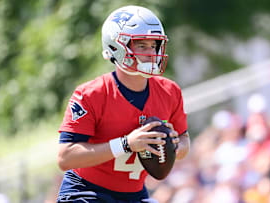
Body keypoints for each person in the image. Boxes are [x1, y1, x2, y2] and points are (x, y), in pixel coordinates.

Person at [56, 5, 190, 203]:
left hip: (134, 195)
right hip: (86, 192)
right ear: (116, 47)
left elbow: (185, 140)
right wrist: (126, 144)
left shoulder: (169, 91)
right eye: (142, 46)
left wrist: (172, 144)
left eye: (154, 45)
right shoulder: (91, 94)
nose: (150, 52)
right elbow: (65, 157)